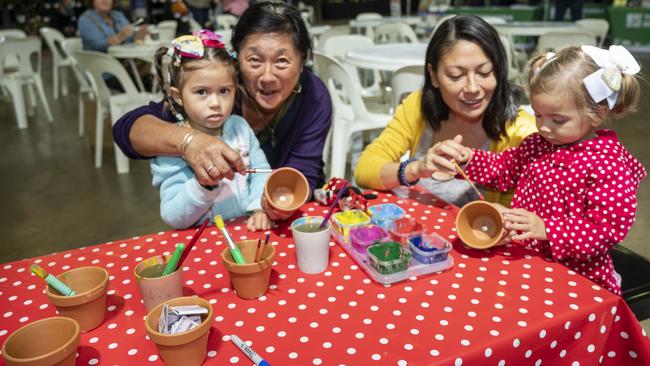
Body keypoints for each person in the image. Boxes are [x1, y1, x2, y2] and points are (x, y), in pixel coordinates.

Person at [430, 45, 645, 294]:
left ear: (597, 113)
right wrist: (468, 159)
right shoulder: (537, 144)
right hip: (529, 262)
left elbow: (605, 230)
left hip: (581, 280)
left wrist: (546, 229)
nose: (544, 127)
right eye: (538, 115)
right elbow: (504, 169)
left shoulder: (609, 165)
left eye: (557, 119)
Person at [112, 2, 332, 221]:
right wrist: (190, 141)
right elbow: (127, 129)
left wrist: (272, 205)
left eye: (282, 61)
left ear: (302, 63)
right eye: (254, 60)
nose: (267, 76)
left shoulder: (313, 95)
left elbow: (303, 172)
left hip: (272, 214)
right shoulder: (216, 93)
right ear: (236, 61)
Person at [354, 15, 537, 207]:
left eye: (484, 73)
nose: (472, 88)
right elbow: (364, 169)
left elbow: (523, 213)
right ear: (433, 76)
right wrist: (416, 168)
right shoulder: (418, 105)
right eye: (456, 76)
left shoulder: (522, 133)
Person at [151, 30, 272, 231]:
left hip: (245, 230)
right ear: (178, 95)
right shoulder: (171, 146)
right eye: (202, 92)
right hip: (200, 240)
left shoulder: (239, 127)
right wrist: (202, 185)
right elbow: (173, 216)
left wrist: (259, 209)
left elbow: (261, 172)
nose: (215, 103)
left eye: (224, 91)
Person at [77, 0, 148, 52]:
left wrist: (138, 35)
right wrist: (121, 36)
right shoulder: (86, 20)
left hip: (127, 59)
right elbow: (97, 46)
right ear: (92, 1)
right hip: (103, 64)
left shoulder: (118, 15)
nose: (104, 1)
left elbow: (130, 38)